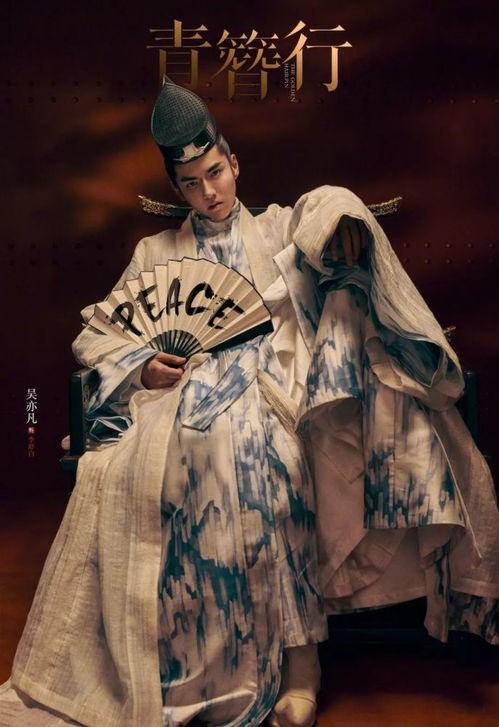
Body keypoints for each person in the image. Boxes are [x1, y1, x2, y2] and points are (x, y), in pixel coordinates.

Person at [1, 79, 498, 727]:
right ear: (176, 189)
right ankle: (188, 663)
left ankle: (299, 662)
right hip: (184, 395)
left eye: (215, 173)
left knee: (273, 465)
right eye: (191, 183)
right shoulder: (155, 253)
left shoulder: (277, 230)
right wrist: (144, 365)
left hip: (271, 387)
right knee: (168, 468)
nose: (209, 192)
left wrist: (341, 224)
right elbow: (103, 335)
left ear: (233, 164)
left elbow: (326, 210)